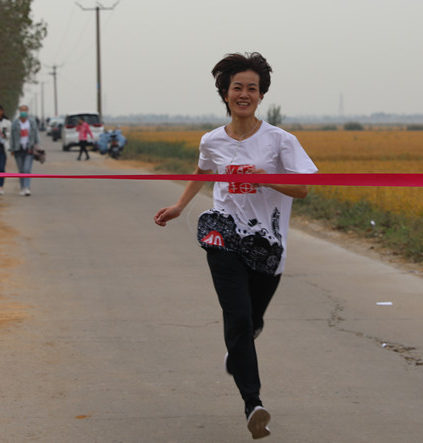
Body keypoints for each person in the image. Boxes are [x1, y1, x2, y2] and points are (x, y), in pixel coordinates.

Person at [154, 52, 317, 439]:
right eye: (237, 87)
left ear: (261, 96)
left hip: (267, 244)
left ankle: (241, 343)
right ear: (225, 94)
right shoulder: (212, 140)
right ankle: (253, 404)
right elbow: (202, 171)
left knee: (250, 321)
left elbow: (303, 189)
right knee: (238, 317)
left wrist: (266, 176)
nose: (244, 94)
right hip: (223, 233)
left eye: (252, 88)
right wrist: (180, 206)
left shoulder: (280, 141)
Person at [10, 105, 40, 196]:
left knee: (27, 169)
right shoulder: (15, 123)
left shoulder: (32, 122)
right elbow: (12, 137)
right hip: (18, 149)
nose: (23, 112)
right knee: (21, 170)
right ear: (19, 111)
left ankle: (27, 187)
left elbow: (36, 135)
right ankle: (22, 187)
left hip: (29, 149)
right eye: (22, 110)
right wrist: (11, 148)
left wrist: (38, 147)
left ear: (27, 111)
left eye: (25, 110)